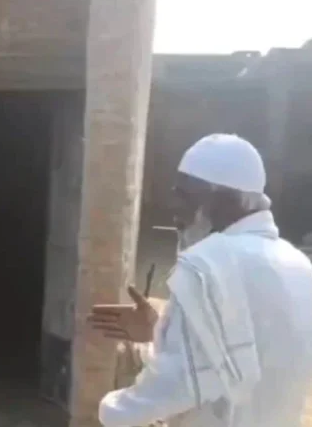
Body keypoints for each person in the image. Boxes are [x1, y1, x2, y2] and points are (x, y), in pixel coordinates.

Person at [88, 133, 312, 427]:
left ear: (226, 201)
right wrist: (160, 332)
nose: (175, 210)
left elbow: (176, 385)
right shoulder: (300, 266)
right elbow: (229, 365)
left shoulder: (206, 267)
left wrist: (109, 410)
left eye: (184, 196)